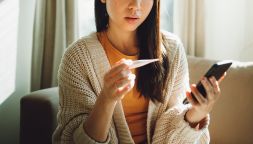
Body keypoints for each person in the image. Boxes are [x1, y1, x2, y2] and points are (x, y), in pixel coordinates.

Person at [53, 0, 224, 143]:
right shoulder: (77, 57)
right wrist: (106, 99)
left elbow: (176, 133)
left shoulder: (172, 49)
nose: (136, 5)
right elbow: (72, 139)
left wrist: (198, 112)